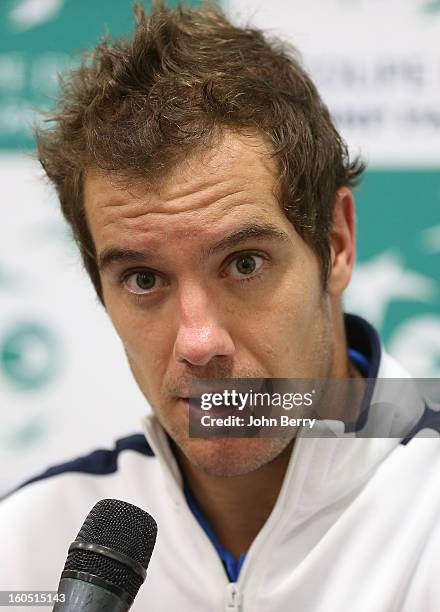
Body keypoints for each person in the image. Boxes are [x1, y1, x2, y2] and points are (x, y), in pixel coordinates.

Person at [1, 2, 439, 611]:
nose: (199, 342)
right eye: (144, 278)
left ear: (335, 245)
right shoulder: (24, 542)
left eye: (244, 264)